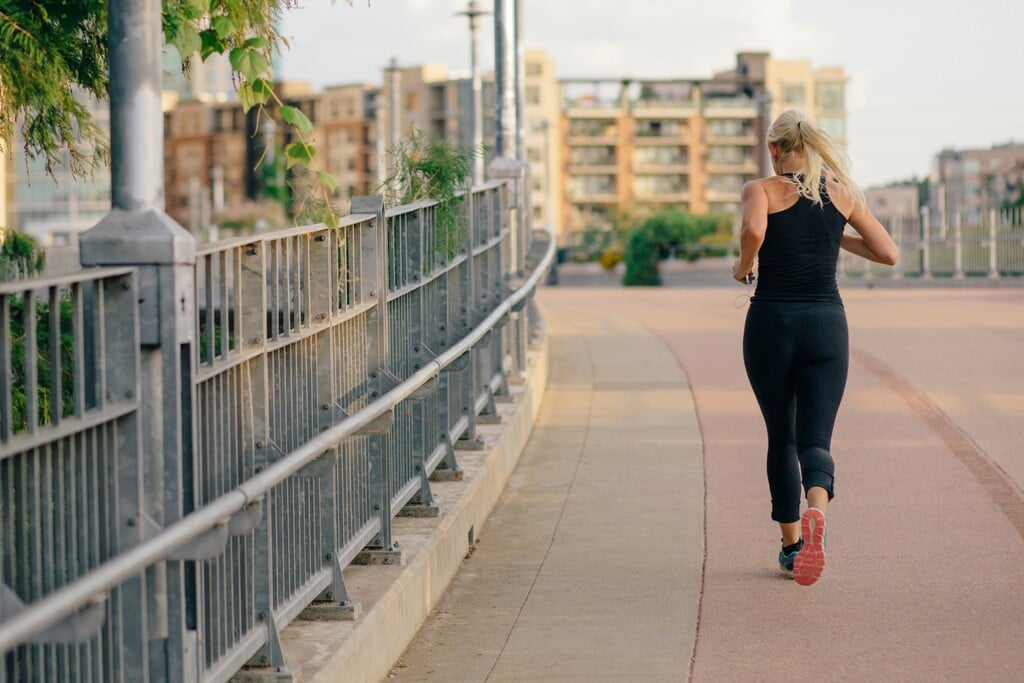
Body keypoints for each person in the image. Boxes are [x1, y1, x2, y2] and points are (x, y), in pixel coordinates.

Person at [732, 109, 898, 586]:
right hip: (827, 325)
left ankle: (791, 548)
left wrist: (743, 265)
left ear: (774, 149)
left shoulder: (760, 190)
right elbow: (888, 253)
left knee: (781, 436)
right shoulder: (840, 194)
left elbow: (754, 231)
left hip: (772, 323)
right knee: (816, 439)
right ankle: (817, 510)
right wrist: (833, 235)